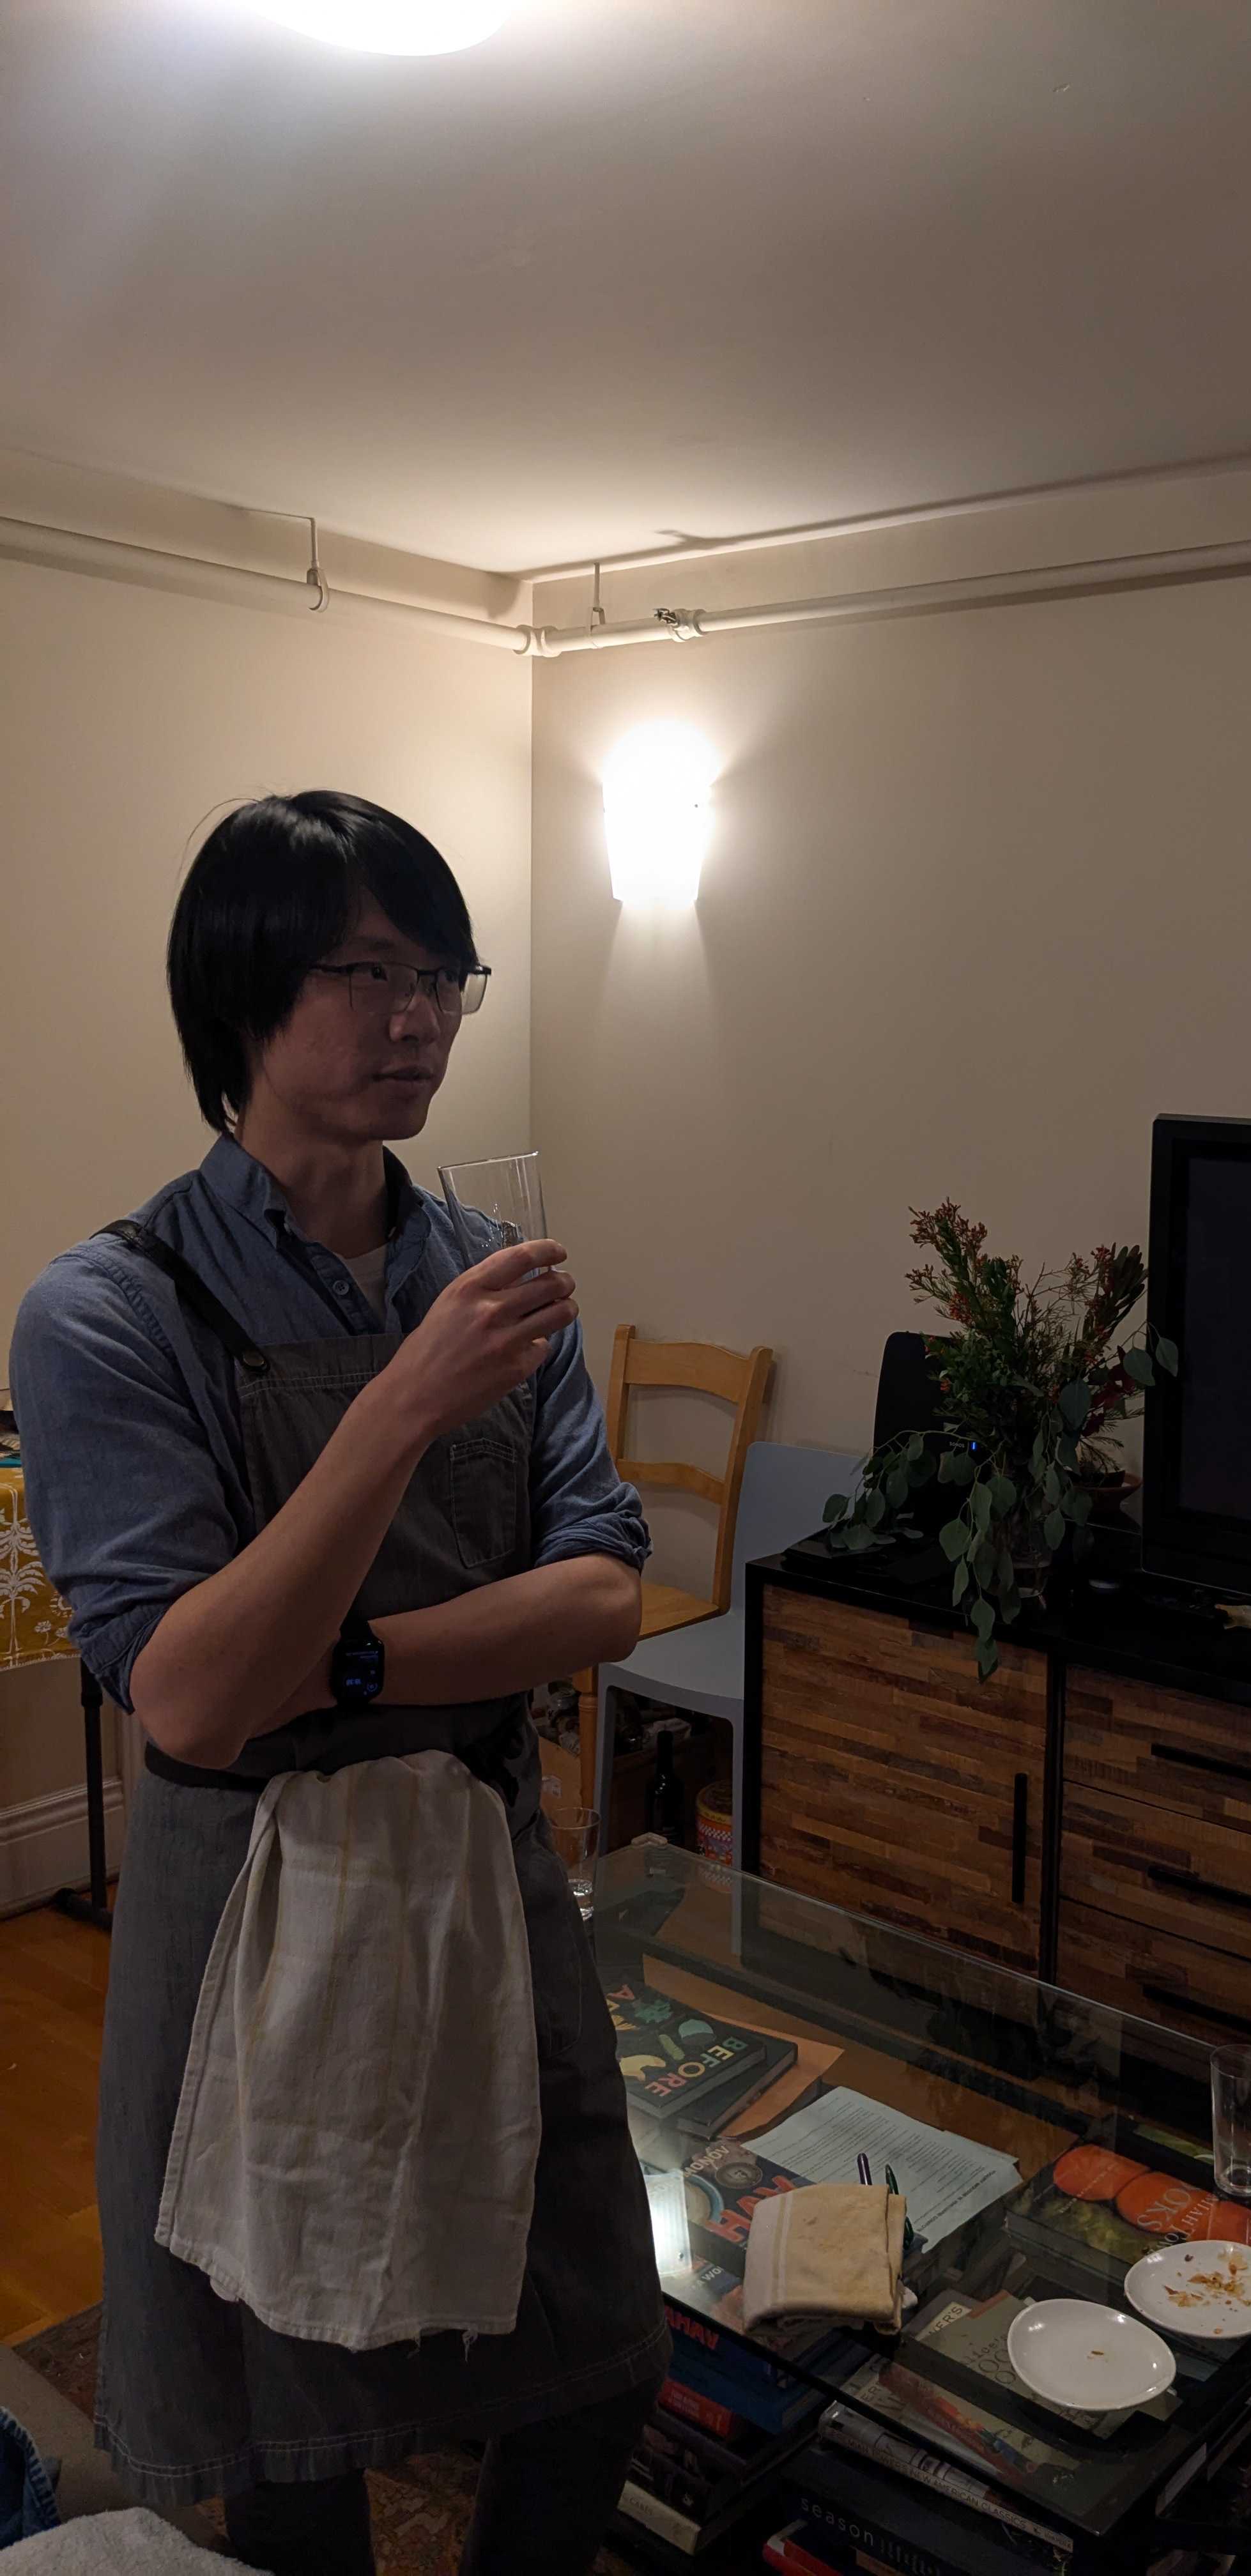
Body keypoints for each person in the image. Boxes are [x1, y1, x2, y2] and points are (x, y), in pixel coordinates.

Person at [10, 792, 665, 2576]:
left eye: (443, 973)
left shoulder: (485, 1272)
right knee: (285, 2426)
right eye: (368, 972)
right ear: (241, 995)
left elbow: (605, 1590)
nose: (419, 1015)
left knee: (596, 2343)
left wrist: (353, 1656)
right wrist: (405, 1402)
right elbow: (191, 1700)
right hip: (247, 1897)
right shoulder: (108, 1311)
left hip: (475, 1858)